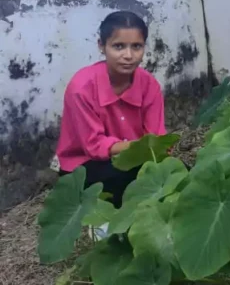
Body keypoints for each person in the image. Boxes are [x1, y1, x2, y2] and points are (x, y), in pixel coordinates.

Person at [56, 11, 166, 208]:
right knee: (127, 181)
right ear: (102, 46)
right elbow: (95, 146)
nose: (128, 56)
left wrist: (149, 151)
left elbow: (157, 138)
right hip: (84, 166)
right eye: (118, 46)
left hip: (136, 159)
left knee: (180, 174)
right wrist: (140, 147)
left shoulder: (150, 85)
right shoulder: (81, 89)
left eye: (136, 46)